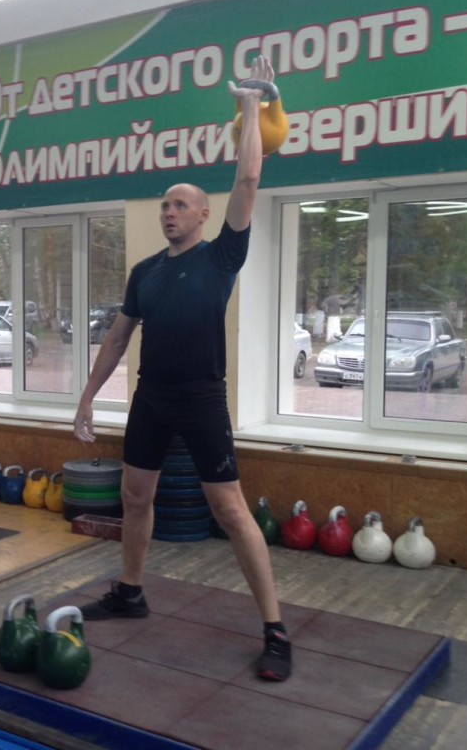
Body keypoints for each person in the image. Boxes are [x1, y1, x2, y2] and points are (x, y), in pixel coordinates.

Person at [72, 55, 291, 681]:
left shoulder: (222, 256)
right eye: (165, 205)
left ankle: (275, 629)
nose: (169, 212)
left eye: (180, 205)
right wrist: (87, 397)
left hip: (201, 396)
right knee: (134, 494)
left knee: (229, 509)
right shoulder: (145, 272)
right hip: (152, 395)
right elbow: (118, 338)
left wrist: (249, 105)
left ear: (202, 215)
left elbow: (249, 178)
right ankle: (130, 591)